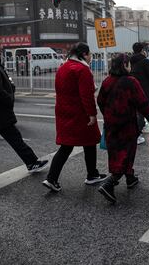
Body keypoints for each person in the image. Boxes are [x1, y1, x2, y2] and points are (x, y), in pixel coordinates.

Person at [42, 43, 106, 192]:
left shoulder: (64, 67)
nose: (91, 57)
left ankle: (53, 178)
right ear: (84, 54)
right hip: (80, 114)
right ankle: (91, 175)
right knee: (88, 142)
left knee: (67, 145)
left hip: (64, 112)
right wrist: (92, 114)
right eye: (89, 54)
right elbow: (87, 96)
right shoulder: (82, 70)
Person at [97, 54, 149, 203]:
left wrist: (109, 114)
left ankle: (130, 178)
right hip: (127, 125)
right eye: (128, 64)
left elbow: (100, 101)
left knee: (116, 153)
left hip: (111, 125)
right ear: (124, 65)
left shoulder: (107, 81)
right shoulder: (130, 82)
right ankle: (110, 183)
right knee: (126, 154)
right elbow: (142, 103)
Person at [0, 43, 49, 173]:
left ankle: (31, 162)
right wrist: (9, 98)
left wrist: (11, 88)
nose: (1, 50)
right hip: (1, 113)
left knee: (15, 139)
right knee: (16, 139)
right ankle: (31, 162)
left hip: (3, 112)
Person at [130, 42, 149, 145]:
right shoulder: (144, 61)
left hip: (133, 87)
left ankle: (140, 128)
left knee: (139, 110)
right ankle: (137, 133)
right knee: (143, 109)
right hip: (144, 88)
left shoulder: (131, 60)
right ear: (142, 50)